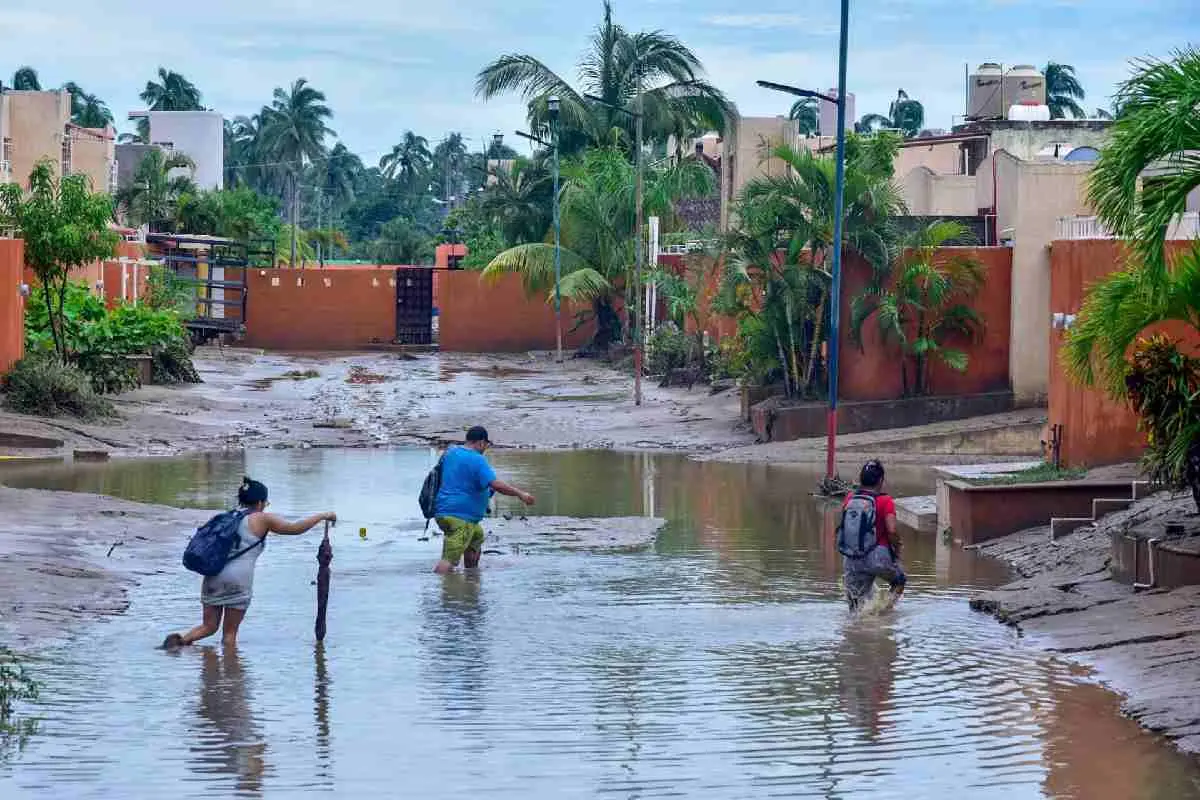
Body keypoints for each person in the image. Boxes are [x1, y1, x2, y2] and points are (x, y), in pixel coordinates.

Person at [163, 477, 336, 648]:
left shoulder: (224, 518)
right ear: (260, 502)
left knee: (208, 627)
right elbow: (295, 529)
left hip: (212, 577)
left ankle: (179, 642)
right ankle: (232, 675)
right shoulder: (262, 519)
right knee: (229, 636)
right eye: (266, 502)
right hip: (238, 581)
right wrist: (323, 515)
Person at [433, 426, 534, 574]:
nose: (486, 448)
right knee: (448, 560)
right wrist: (520, 494)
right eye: (486, 445)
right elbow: (496, 484)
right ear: (481, 443)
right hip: (460, 518)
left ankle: (471, 577)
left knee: (476, 537)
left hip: (445, 513)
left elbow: (461, 480)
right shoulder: (477, 459)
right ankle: (439, 591)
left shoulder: (451, 453)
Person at [841, 460, 906, 612]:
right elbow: (891, 530)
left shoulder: (849, 498)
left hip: (851, 558)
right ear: (881, 480)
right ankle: (883, 615)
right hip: (878, 558)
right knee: (899, 581)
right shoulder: (886, 501)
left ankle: (857, 629)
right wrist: (898, 548)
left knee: (855, 606)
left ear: (861, 478)